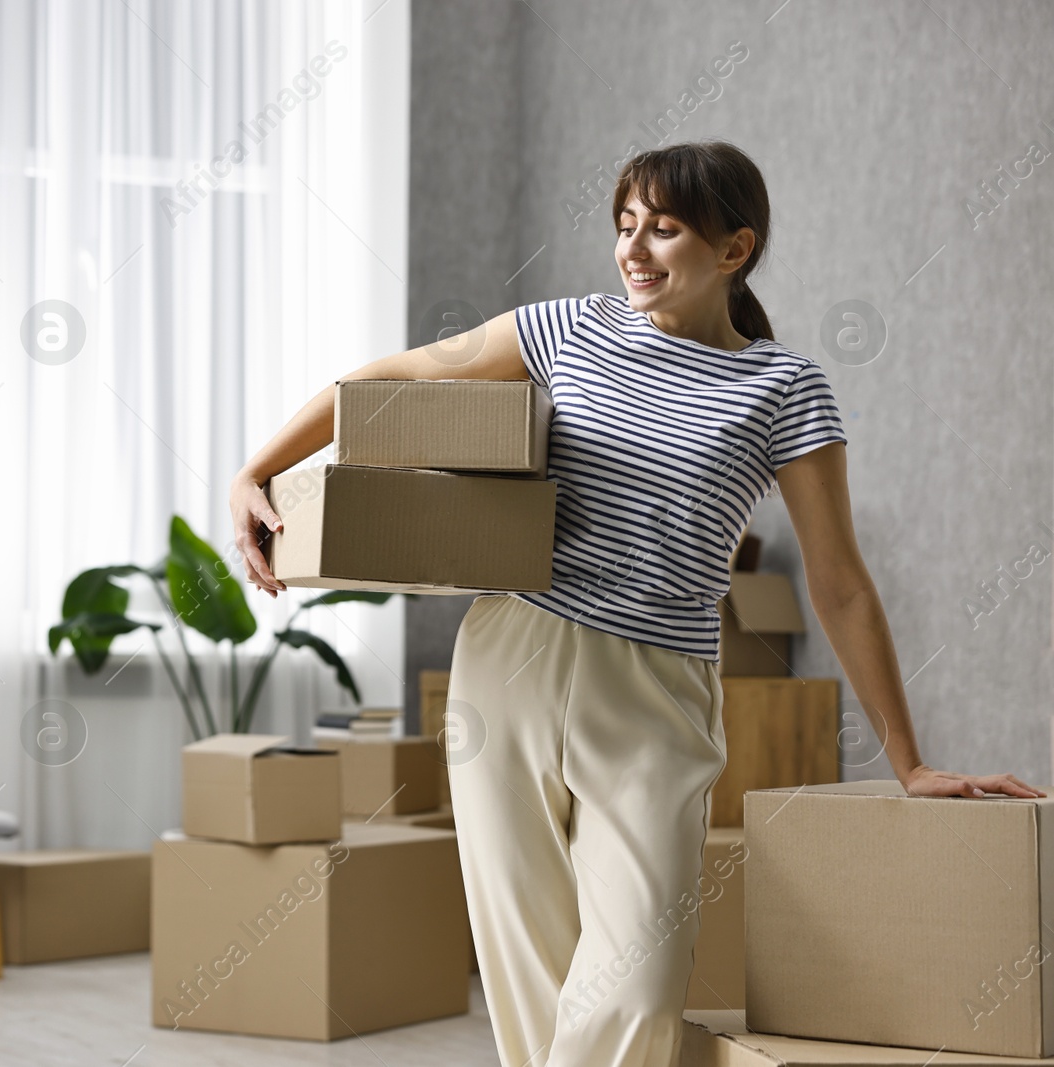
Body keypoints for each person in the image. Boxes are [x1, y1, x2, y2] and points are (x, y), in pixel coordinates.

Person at [228, 139, 1045, 1067]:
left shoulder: (785, 387)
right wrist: (260, 467)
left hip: (660, 692)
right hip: (512, 661)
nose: (634, 250)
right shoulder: (566, 329)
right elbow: (400, 375)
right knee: (527, 969)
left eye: (664, 229)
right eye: (625, 226)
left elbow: (841, 582)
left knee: (635, 981)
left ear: (734, 250)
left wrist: (910, 762)